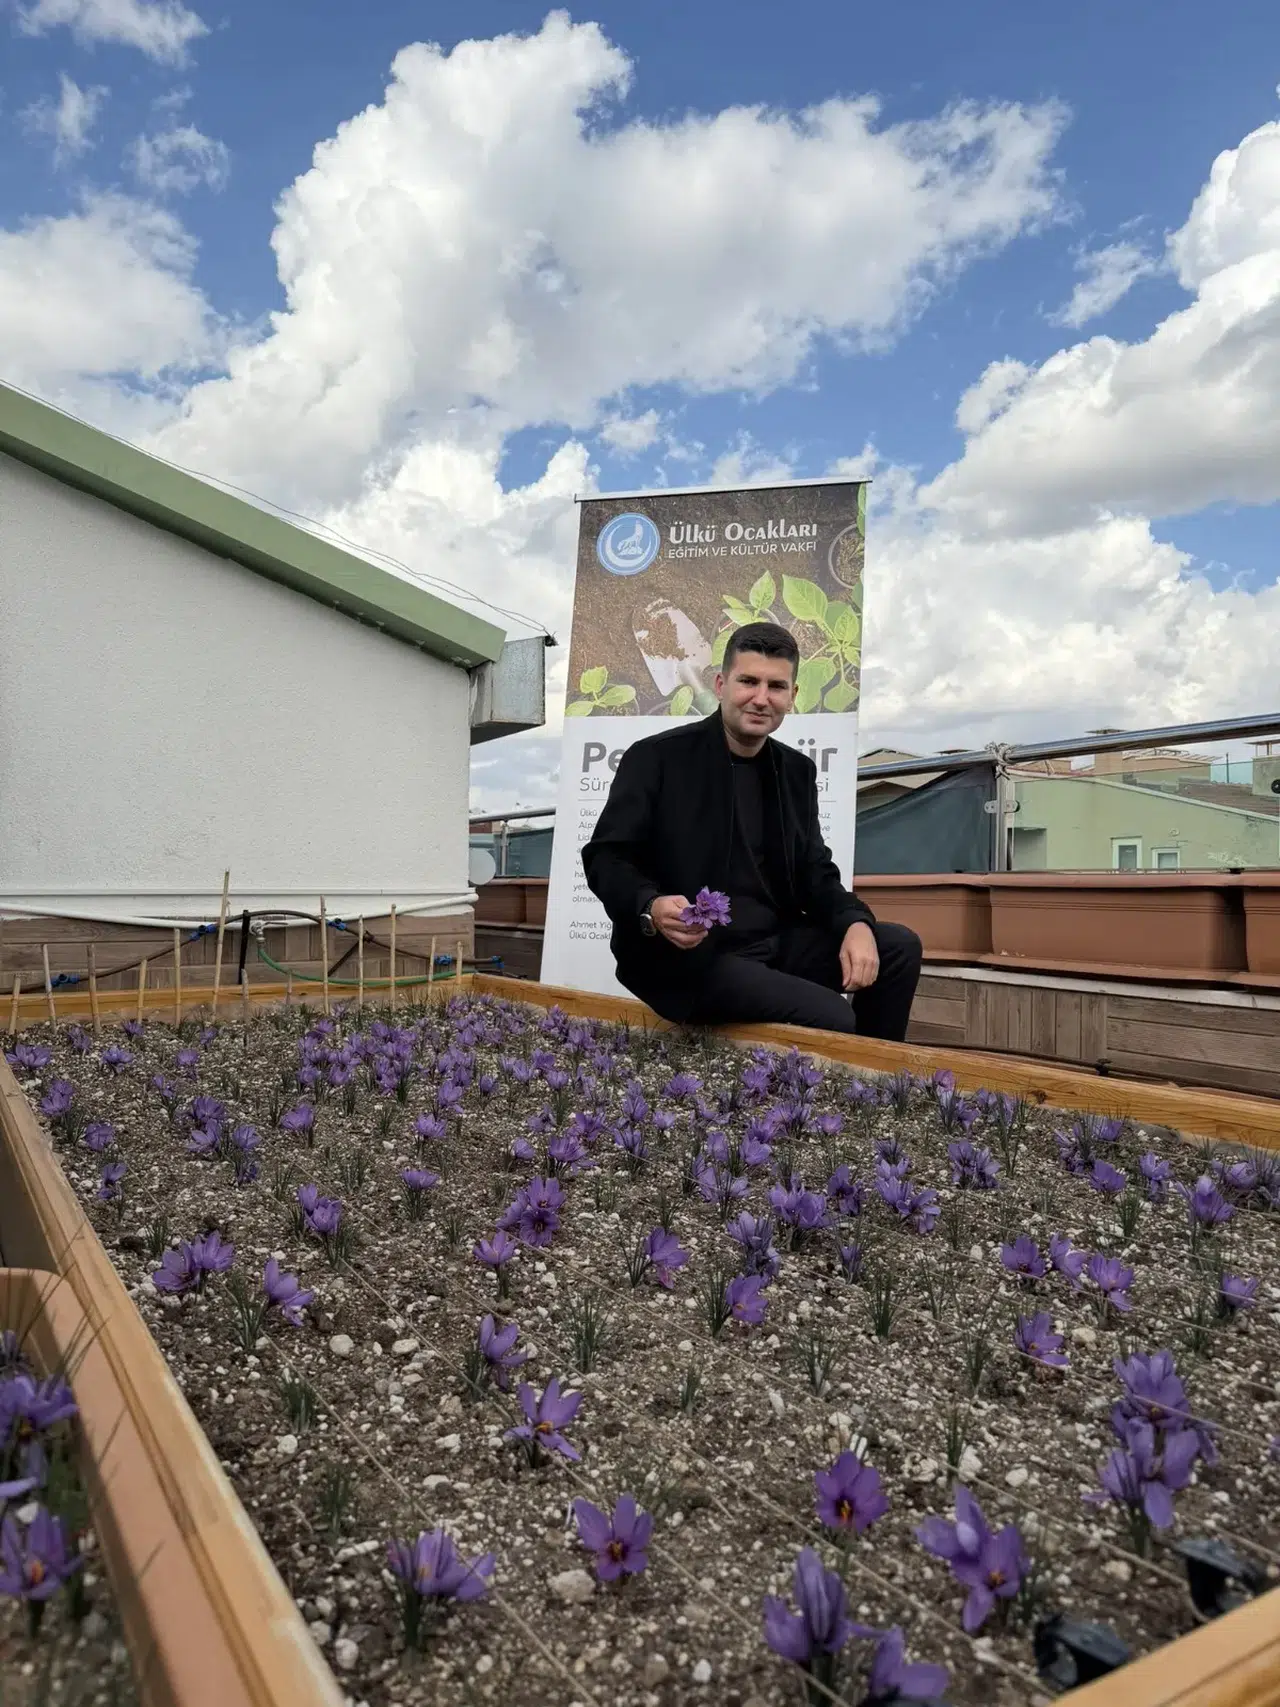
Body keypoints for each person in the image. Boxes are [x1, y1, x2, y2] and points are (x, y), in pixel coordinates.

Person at [582, 620, 922, 1038]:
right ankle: (849, 1089)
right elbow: (606, 857)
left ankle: (877, 1087)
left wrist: (856, 923)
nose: (761, 699)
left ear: (793, 696)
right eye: (748, 681)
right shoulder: (657, 758)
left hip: (773, 942)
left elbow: (815, 871)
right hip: (688, 956)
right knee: (834, 1016)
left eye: (776, 687)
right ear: (721, 684)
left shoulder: (796, 771)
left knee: (897, 948)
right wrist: (650, 906)